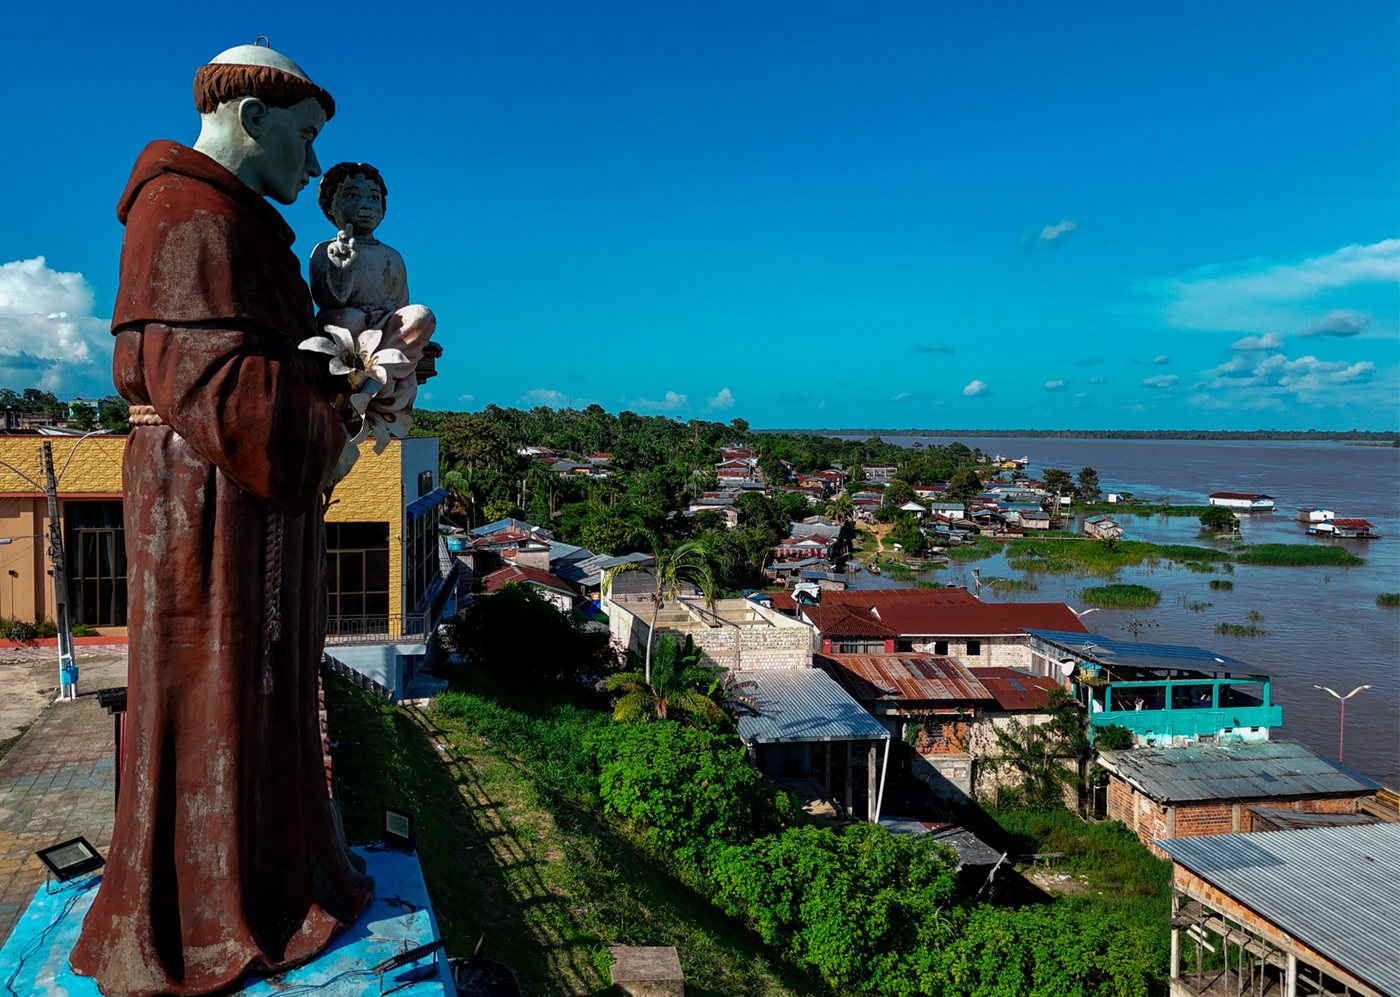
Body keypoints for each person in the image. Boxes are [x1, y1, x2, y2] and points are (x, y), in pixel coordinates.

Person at [70, 42, 373, 997]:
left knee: (257, 696)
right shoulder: (186, 213)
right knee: (214, 699)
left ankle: (271, 876)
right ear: (253, 117)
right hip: (206, 513)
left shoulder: (230, 219)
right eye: (307, 136)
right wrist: (344, 409)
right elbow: (221, 392)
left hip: (233, 508)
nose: (315, 166)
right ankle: (206, 909)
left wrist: (354, 363)